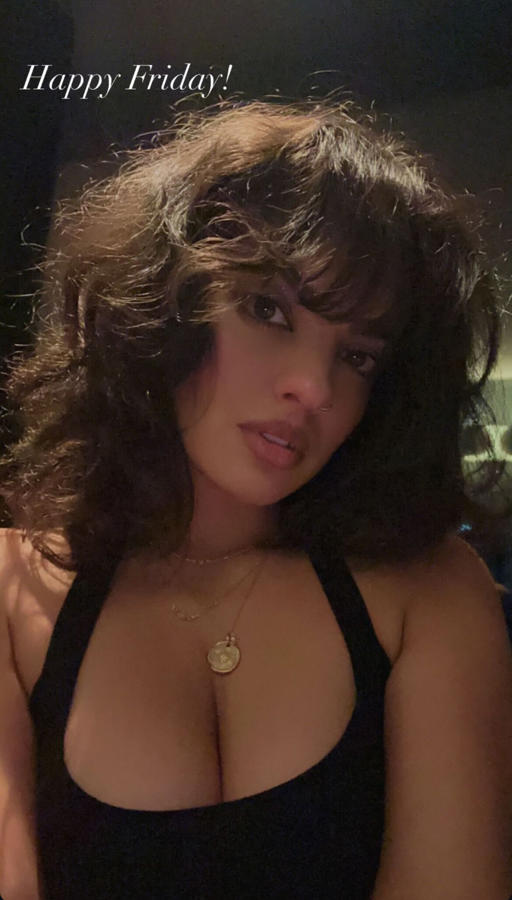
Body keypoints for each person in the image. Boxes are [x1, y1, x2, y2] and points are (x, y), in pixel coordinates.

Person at [0, 100, 511, 900]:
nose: (314, 387)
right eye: (267, 309)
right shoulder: (13, 592)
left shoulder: (429, 593)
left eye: (359, 356)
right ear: (160, 303)